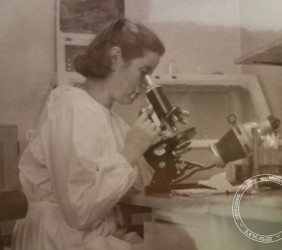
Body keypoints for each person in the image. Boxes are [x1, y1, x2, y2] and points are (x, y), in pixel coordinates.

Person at [12, 18, 166, 250]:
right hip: (58, 238)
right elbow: (79, 212)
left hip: (88, 235)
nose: (146, 85)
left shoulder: (109, 118)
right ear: (115, 58)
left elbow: (138, 187)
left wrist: (153, 144)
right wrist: (132, 151)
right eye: (143, 72)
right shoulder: (73, 108)